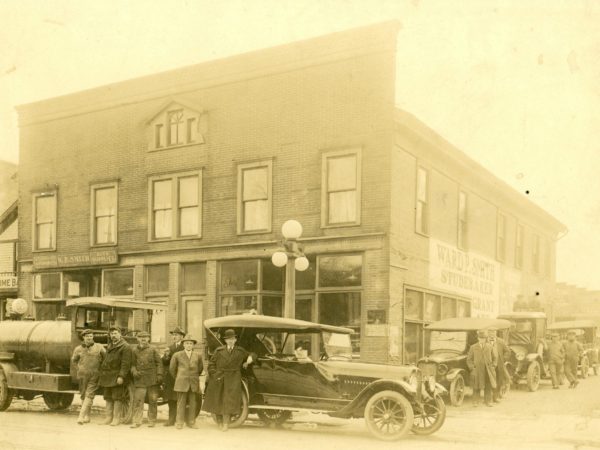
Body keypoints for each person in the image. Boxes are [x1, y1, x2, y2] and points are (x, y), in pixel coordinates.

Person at [202, 329, 254, 432]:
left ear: (235, 340)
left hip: (233, 378)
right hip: (219, 377)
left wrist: (248, 360)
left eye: (232, 339)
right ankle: (220, 422)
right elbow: (211, 364)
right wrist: (214, 374)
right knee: (218, 400)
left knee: (228, 401)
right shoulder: (219, 351)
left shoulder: (240, 351)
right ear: (225, 341)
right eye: (228, 339)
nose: (230, 341)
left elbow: (253, 354)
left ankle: (225, 423)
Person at [98, 326, 132, 426]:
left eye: (115, 333)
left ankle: (116, 418)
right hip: (108, 376)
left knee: (118, 397)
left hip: (117, 376)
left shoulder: (125, 347)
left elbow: (126, 364)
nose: (113, 335)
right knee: (108, 397)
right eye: (112, 334)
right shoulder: (110, 345)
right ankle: (108, 418)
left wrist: (121, 376)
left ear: (120, 334)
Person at [71, 329, 106, 425]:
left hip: (94, 375)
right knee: (83, 395)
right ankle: (87, 416)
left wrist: (100, 370)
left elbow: (105, 359)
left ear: (93, 337)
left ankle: (81, 417)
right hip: (82, 376)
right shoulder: (78, 349)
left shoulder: (99, 347)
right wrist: (79, 369)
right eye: (87, 336)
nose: (89, 338)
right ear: (83, 337)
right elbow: (74, 360)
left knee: (89, 395)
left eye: (91, 336)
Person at [169, 334, 204, 429]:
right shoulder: (177, 355)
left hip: (193, 382)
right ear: (183, 345)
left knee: (193, 403)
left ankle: (191, 422)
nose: (189, 345)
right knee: (181, 403)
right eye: (187, 343)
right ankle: (179, 422)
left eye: (191, 343)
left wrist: (194, 377)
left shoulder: (198, 356)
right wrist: (179, 377)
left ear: (193, 345)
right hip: (181, 382)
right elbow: (172, 369)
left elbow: (200, 368)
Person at [130, 331, 163, 428]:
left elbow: (159, 363)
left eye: (145, 337)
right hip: (140, 379)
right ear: (137, 339)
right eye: (141, 337)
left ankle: (152, 420)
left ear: (149, 339)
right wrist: (134, 371)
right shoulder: (134, 350)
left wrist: (159, 375)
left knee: (153, 400)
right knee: (138, 401)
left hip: (152, 379)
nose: (143, 339)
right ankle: (137, 421)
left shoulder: (153, 349)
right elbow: (132, 364)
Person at [161, 326, 186, 426]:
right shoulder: (170, 348)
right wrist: (166, 356)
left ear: (182, 337)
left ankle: (180, 420)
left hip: (181, 376)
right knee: (171, 399)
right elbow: (165, 363)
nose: (174, 337)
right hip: (171, 377)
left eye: (176, 335)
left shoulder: (185, 347)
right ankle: (171, 420)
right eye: (173, 335)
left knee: (180, 399)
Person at [467, 329, 497, 407]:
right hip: (477, 370)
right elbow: (469, 359)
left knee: (488, 385)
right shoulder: (473, 347)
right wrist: (472, 368)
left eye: (483, 338)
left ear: (485, 339)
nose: (482, 340)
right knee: (476, 386)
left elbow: (495, 357)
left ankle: (488, 401)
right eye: (480, 338)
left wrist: (493, 366)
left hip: (488, 369)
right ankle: (475, 402)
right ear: (478, 338)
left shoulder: (490, 346)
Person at [488, 328, 511, 403]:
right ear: (488, 333)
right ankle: (488, 398)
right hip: (487, 365)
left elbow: (507, 351)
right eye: (490, 332)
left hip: (498, 365)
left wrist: (503, 359)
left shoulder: (501, 341)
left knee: (498, 381)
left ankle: (495, 397)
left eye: (493, 332)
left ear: (496, 332)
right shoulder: (484, 341)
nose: (492, 334)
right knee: (488, 381)